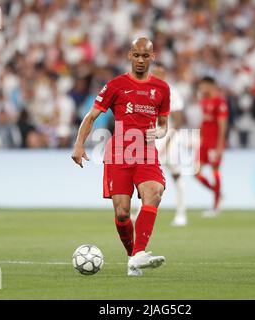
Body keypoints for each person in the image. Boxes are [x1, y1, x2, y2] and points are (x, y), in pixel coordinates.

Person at [71, 37, 170, 277]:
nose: (140, 60)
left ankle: (139, 253)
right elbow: (91, 116)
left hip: (145, 153)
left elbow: (164, 125)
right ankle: (132, 258)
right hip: (119, 154)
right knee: (122, 213)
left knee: (154, 192)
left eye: (145, 56)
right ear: (129, 56)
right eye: (136, 55)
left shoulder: (162, 89)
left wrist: (157, 132)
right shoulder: (115, 85)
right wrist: (78, 145)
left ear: (152, 58)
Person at [132, 62, 187, 226]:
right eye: (154, 73)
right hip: (150, 139)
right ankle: (138, 211)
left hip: (170, 138)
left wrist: (168, 142)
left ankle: (181, 214)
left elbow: (177, 121)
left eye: (160, 73)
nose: (157, 76)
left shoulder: (172, 92)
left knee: (176, 175)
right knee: (143, 175)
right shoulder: (145, 92)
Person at [194, 76, 229, 217]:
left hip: (214, 143)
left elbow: (222, 126)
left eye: (203, 86)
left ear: (210, 86)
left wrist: (220, 146)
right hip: (204, 142)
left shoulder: (220, 102)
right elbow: (204, 122)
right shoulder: (204, 101)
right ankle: (218, 194)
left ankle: (215, 207)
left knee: (215, 172)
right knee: (195, 172)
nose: (201, 89)